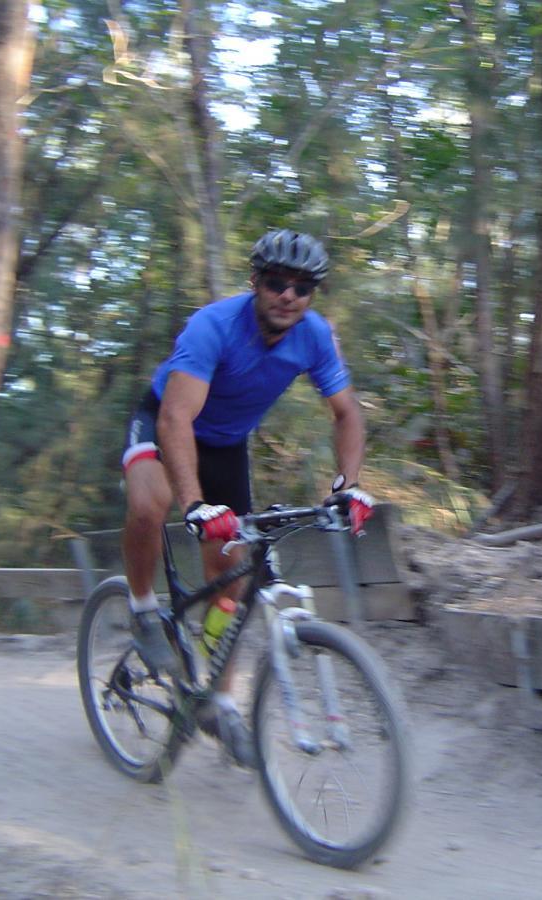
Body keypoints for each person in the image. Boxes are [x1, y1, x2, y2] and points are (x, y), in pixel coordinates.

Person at [120, 228, 375, 766]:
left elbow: (347, 413)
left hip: (227, 445)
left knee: (232, 581)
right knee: (149, 505)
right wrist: (193, 504)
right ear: (256, 282)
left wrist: (347, 486)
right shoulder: (213, 325)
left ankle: (218, 698)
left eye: (303, 287)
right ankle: (142, 610)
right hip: (166, 423)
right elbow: (176, 417)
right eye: (278, 282)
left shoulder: (314, 336)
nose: (289, 295)